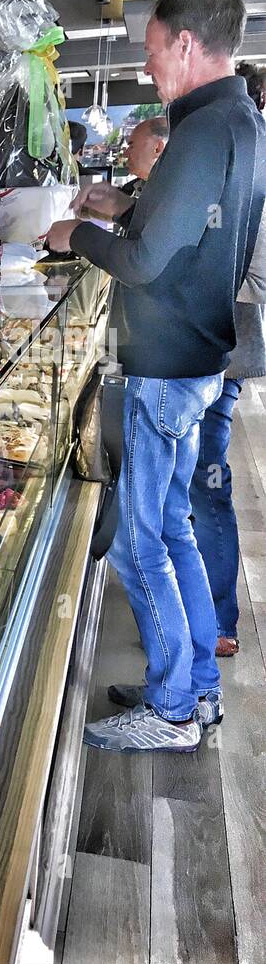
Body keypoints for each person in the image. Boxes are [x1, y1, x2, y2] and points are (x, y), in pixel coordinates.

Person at [45, 0, 266, 753]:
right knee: (174, 531)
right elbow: (190, 227)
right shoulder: (241, 123)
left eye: (150, 45)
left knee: (142, 543)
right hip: (201, 359)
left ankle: (172, 711)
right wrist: (129, 199)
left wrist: (78, 230)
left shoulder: (203, 130)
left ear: (183, 44)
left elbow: (141, 262)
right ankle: (196, 686)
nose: (144, 61)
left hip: (167, 366)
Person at [189, 61, 266, 658]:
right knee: (192, 484)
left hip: (220, 352)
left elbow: (257, 281)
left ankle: (218, 620)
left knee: (208, 482)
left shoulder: (250, 158)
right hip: (196, 352)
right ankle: (198, 611)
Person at [119, 116, 168, 198]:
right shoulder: (129, 190)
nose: (125, 155)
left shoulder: (183, 195)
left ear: (157, 148)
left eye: (131, 146)